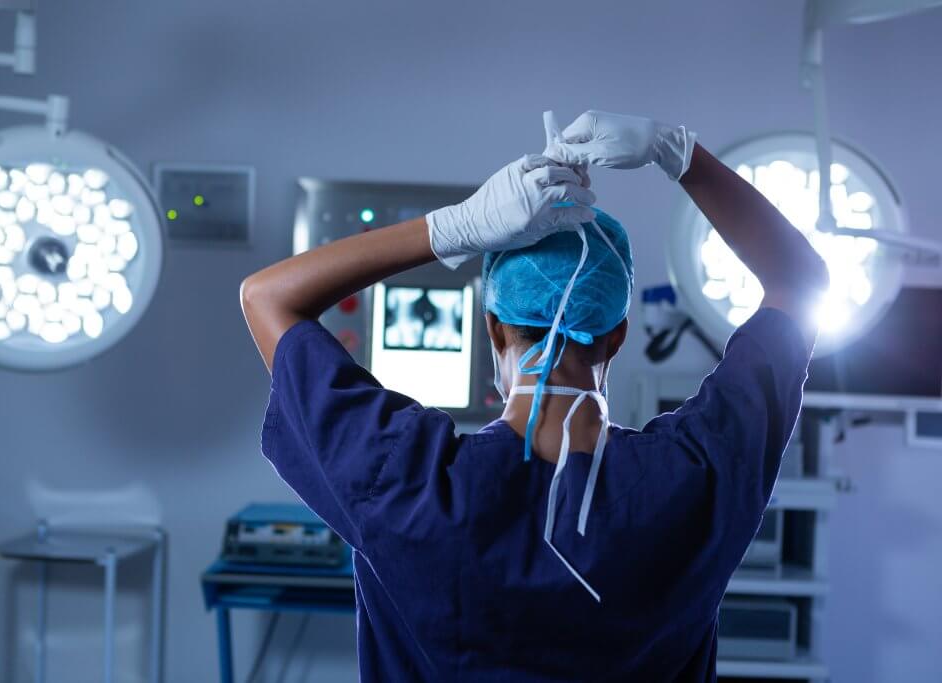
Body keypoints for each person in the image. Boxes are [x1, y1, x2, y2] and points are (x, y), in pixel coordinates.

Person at [240, 109, 829, 682]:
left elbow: (267, 298)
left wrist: (456, 228)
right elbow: (800, 283)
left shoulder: (406, 482)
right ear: (618, 336)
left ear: (492, 329)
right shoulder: (695, 478)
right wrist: (676, 152)